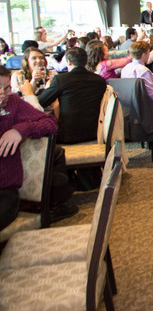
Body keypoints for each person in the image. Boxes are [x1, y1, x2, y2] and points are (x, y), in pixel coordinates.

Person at [0, 66, 60, 232]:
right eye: (2, 89)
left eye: (8, 88)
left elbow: (50, 123)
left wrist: (19, 130)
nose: (7, 93)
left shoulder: (13, 104)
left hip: (5, 190)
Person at [37, 47, 107, 144]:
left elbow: (41, 102)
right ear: (85, 61)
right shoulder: (100, 80)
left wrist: (48, 87)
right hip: (95, 132)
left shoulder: (60, 80)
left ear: (69, 62)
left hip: (68, 136)